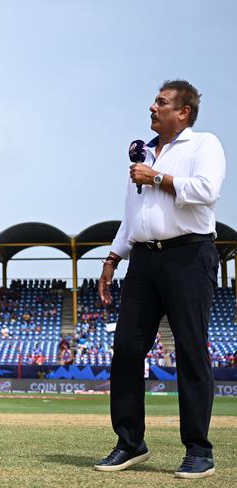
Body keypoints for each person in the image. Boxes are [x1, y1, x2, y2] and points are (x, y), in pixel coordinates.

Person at [95, 80, 225, 479]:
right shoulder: (145, 153)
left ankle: (199, 450)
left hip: (190, 254)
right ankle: (130, 442)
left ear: (183, 111)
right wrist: (114, 257)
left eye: (162, 102)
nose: (153, 107)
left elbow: (207, 191)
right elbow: (132, 214)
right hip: (145, 260)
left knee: (190, 351)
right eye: (154, 101)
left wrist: (155, 178)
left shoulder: (204, 145)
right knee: (127, 351)